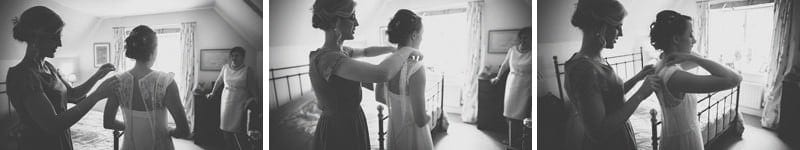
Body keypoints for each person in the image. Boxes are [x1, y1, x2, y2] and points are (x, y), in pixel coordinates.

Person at [308, 0, 422, 149]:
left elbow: (366, 51)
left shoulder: (340, 52)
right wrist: (406, 50)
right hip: (340, 128)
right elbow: (381, 73)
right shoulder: (329, 59)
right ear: (336, 21)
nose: (357, 23)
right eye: (352, 17)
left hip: (352, 120)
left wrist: (390, 49)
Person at [5, 6, 118, 150]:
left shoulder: (49, 67)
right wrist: (97, 95)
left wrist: (97, 76)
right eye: (54, 37)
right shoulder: (22, 75)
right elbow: (53, 125)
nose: (60, 43)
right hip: (40, 144)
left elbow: (74, 95)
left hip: (62, 141)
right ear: (36, 38)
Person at [562, 0, 661, 149]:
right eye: (618, 27)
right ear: (600, 27)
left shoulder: (596, 59)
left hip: (620, 134)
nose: (621, 34)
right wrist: (640, 94)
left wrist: (638, 77)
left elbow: (611, 96)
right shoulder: (584, 70)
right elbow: (598, 132)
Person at [649, 10, 742, 150]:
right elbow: (735, 79)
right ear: (675, 39)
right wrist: (694, 58)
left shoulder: (662, 63)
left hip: (671, 136)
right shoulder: (675, 77)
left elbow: (703, 57)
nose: (695, 40)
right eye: (690, 34)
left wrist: (690, 56)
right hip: (684, 143)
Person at [102, 25, 191, 150]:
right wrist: (169, 130)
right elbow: (184, 131)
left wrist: (133, 128)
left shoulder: (117, 81)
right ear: (153, 50)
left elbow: (108, 122)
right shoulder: (165, 82)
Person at [377, 9, 434, 150]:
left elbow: (379, 97)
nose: (422, 38)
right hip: (414, 133)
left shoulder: (386, 63)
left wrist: (398, 104)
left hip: (395, 127)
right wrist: (429, 117)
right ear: (414, 35)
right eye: (422, 35)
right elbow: (420, 120)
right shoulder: (416, 68)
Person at [206, 47, 261, 150]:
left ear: (243, 57)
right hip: (226, 100)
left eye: (237, 56)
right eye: (232, 56)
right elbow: (218, 81)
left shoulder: (247, 70)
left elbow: (252, 87)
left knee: (238, 131)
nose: (234, 58)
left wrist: (257, 100)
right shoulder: (225, 68)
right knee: (225, 130)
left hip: (239, 101)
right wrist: (212, 93)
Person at [491, 26, 532, 149]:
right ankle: (510, 139)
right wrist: (498, 77)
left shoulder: (533, 52)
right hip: (512, 83)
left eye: (528, 38)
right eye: (523, 38)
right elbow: (504, 65)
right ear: (520, 38)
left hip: (526, 85)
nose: (525, 40)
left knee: (521, 115)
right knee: (509, 113)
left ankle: (519, 141)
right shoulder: (512, 50)